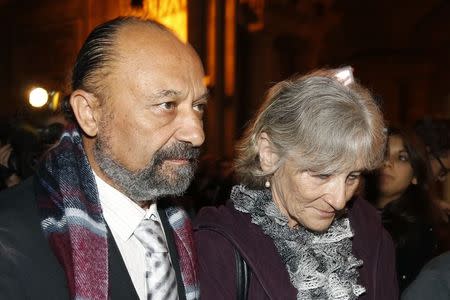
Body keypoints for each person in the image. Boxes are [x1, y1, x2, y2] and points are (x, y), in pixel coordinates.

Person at [0, 16, 208, 300]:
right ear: (89, 113)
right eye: (166, 105)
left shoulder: (192, 231)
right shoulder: (10, 240)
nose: (197, 134)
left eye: (198, 107)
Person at [194, 68, 398, 299]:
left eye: (352, 177)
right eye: (321, 175)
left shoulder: (373, 237)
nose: (339, 200)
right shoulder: (217, 247)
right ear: (269, 153)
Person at [368, 127, 439, 292]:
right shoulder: (349, 209)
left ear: (415, 175)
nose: (387, 162)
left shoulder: (419, 231)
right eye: (383, 154)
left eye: (402, 158)